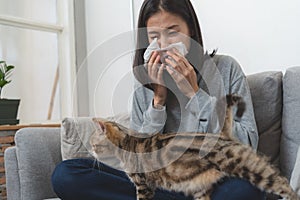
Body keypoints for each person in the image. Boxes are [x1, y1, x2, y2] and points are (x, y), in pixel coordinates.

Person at [52, 0, 265, 199]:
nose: (163, 45)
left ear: (191, 31)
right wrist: (158, 101)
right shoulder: (144, 84)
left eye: (173, 33)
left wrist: (195, 94)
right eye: (154, 37)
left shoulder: (226, 69)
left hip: (210, 182)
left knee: (247, 189)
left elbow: (247, 146)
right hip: (160, 183)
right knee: (67, 174)